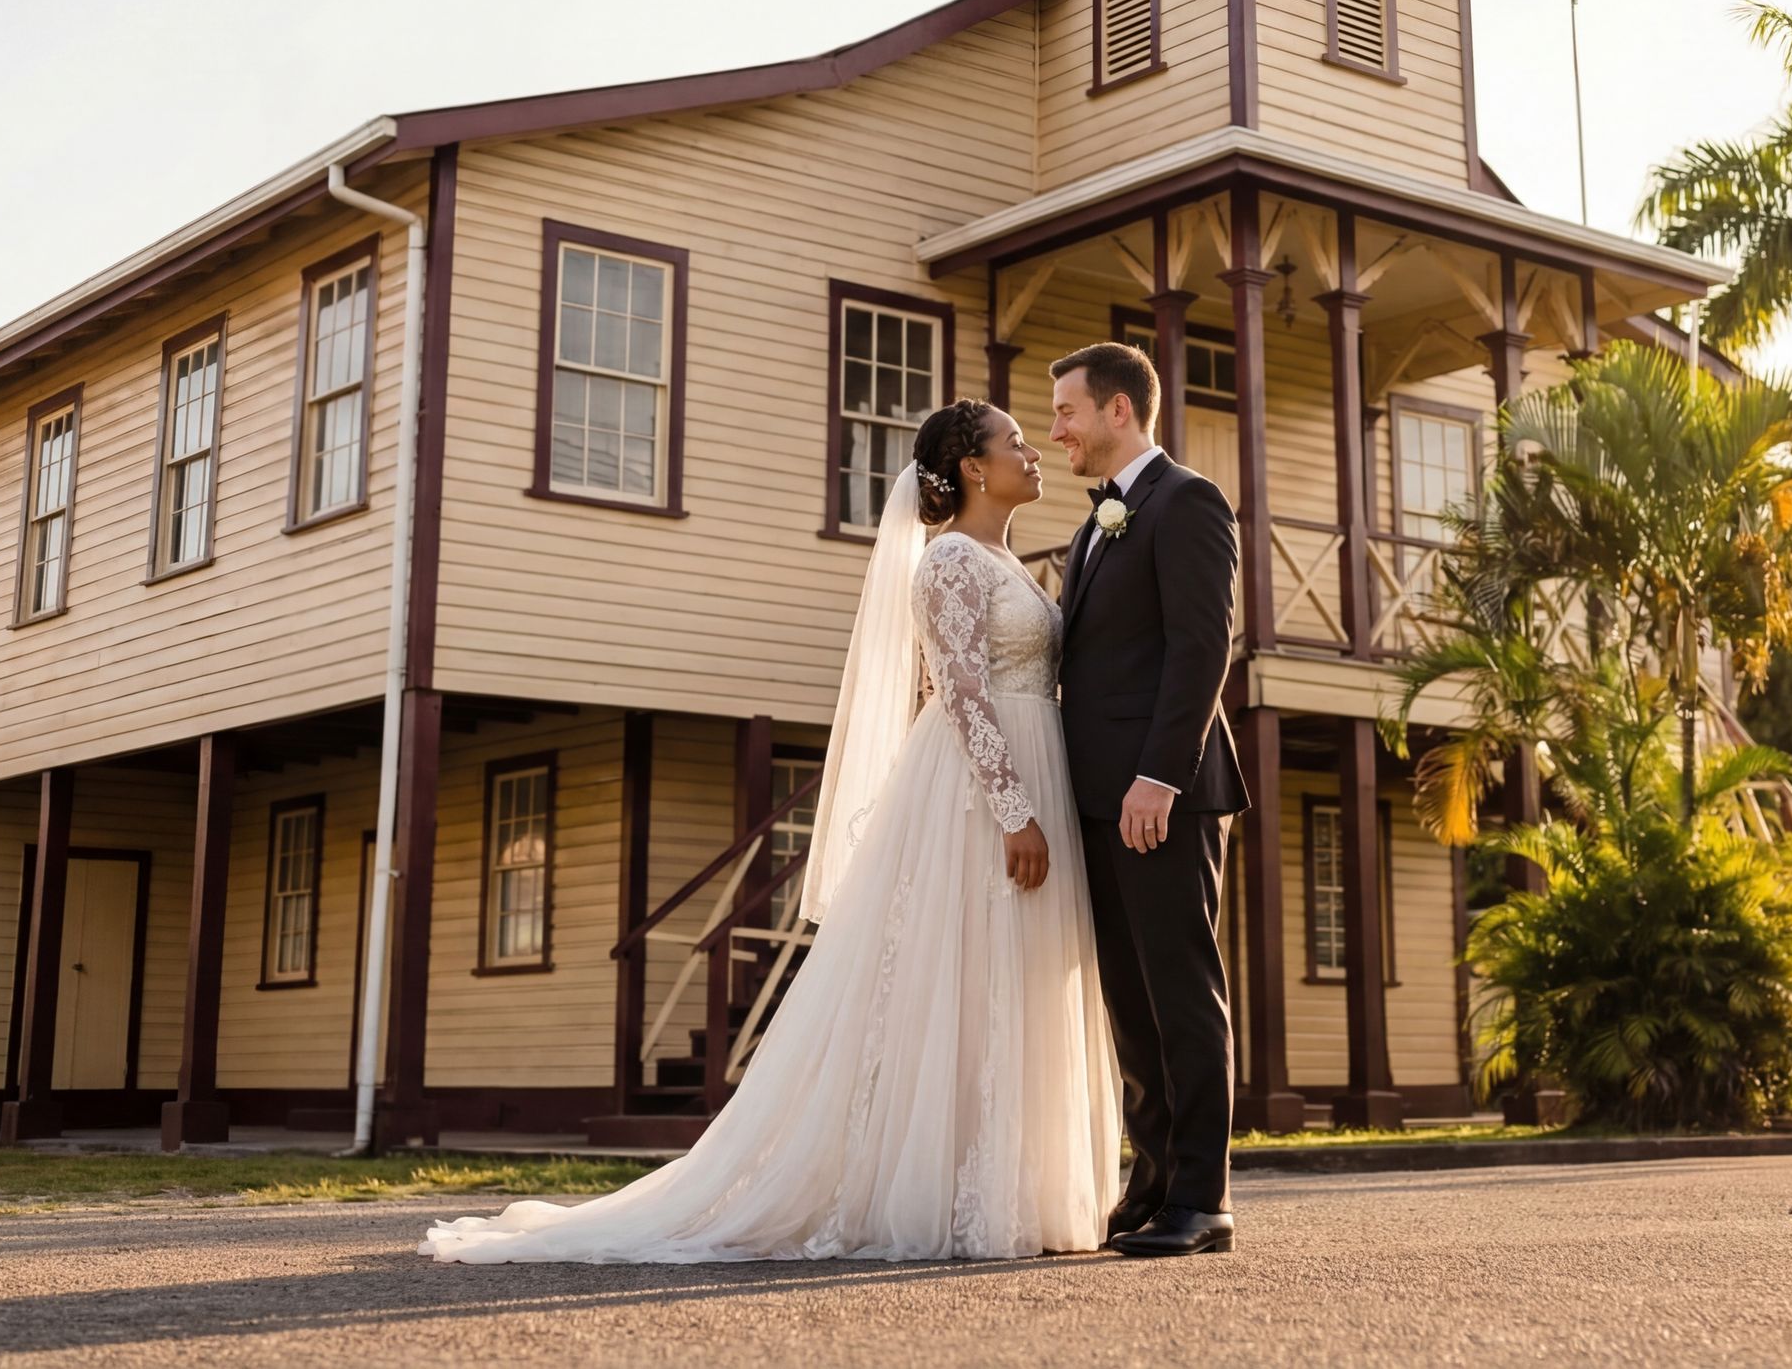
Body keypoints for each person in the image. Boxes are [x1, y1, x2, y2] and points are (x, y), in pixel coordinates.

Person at [419, 402, 1119, 1264]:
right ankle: (930, 1190)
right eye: (1015, 441)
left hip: (1032, 762)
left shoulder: (1011, 561)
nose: (1033, 451)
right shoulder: (948, 562)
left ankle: (1008, 1184)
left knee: (1005, 980)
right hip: (981, 792)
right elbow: (964, 689)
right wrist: (1015, 809)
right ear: (974, 467)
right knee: (959, 977)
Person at [1045, 341, 1245, 1259]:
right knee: (1131, 999)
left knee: (1181, 989)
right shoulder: (1097, 524)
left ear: (1119, 410)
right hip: (1099, 798)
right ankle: (1154, 1180)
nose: (1059, 431)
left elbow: (1203, 647)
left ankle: (1203, 1198)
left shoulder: (1188, 501)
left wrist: (1158, 776)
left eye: (1067, 412)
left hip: (1162, 792)